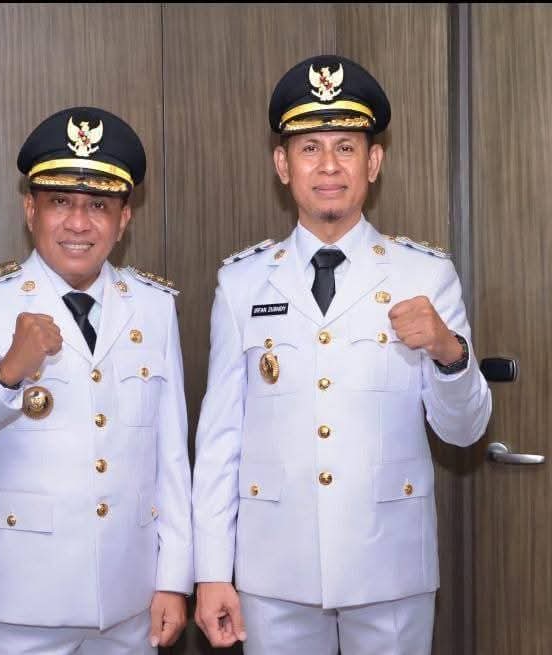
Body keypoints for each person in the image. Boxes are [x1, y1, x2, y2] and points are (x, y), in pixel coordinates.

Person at [192, 55, 492, 654]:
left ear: (373, 162)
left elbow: (464, 431)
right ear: (283, 165)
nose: (328, 166)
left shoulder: (425, 275)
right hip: (274, 573)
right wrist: (211, 572)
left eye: (346, 147)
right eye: (309, 148)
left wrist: (447, 351)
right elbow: (221, 437)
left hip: (390, 570)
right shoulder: (242, 282)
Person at [0, 106, 192, 654]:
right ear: (30, 209)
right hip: (20, 603)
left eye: (98, 205)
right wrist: (5, 374)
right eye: (60, 201)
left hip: (128, 602)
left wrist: (173, 580)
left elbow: (170, 456)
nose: (78, 224)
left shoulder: (153, 305)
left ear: (124, 219)